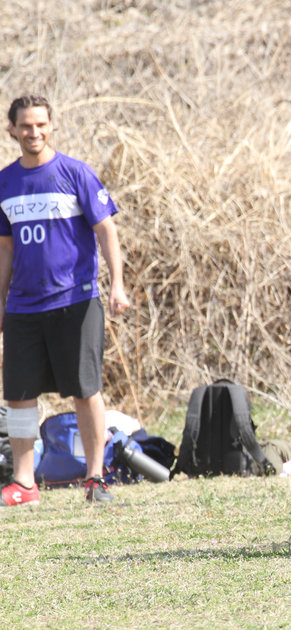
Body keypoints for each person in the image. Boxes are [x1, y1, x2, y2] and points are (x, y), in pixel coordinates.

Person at [0, 95, 130, 506]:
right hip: (23, 307)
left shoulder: (75, 173)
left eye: (41, 124)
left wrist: (117, 285)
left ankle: (95, 479)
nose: (33, 132)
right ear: (12, 129)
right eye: (25, 125)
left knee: (85, 389)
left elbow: (106, 230)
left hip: (76, 301)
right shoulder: (5, 182)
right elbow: (5, 249)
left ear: (51, 126)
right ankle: (25, 484)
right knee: (19, 394)